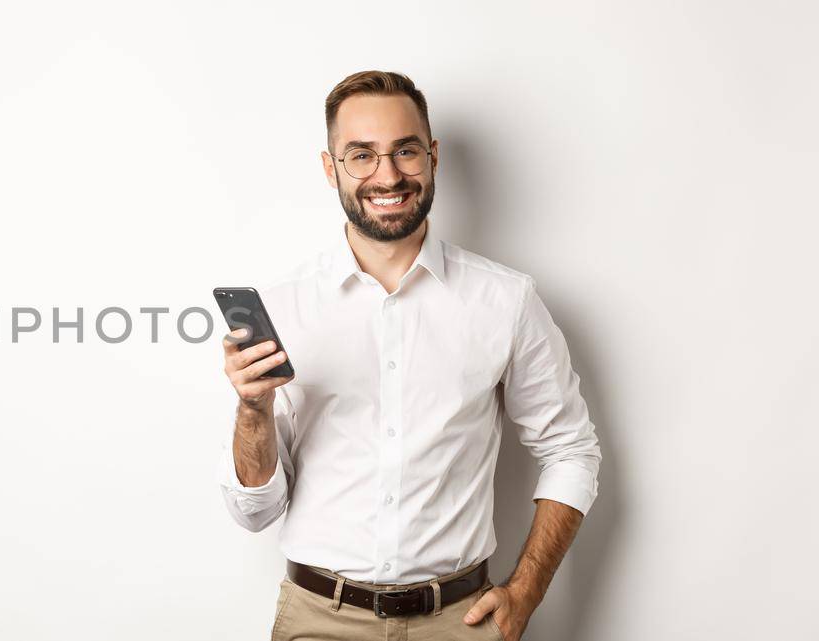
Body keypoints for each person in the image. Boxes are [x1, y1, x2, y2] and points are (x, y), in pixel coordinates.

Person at [217, 70, 601, 641]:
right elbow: (255, 513)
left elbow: (571, 450)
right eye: (361, 155)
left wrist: (525, 591)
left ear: (433, 155)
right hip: (319, 622)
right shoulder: (285, 308)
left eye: (405, 150)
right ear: (331, 169)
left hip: (460, 622)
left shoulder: (506, 300)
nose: (388, 175)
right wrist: (252, 411)